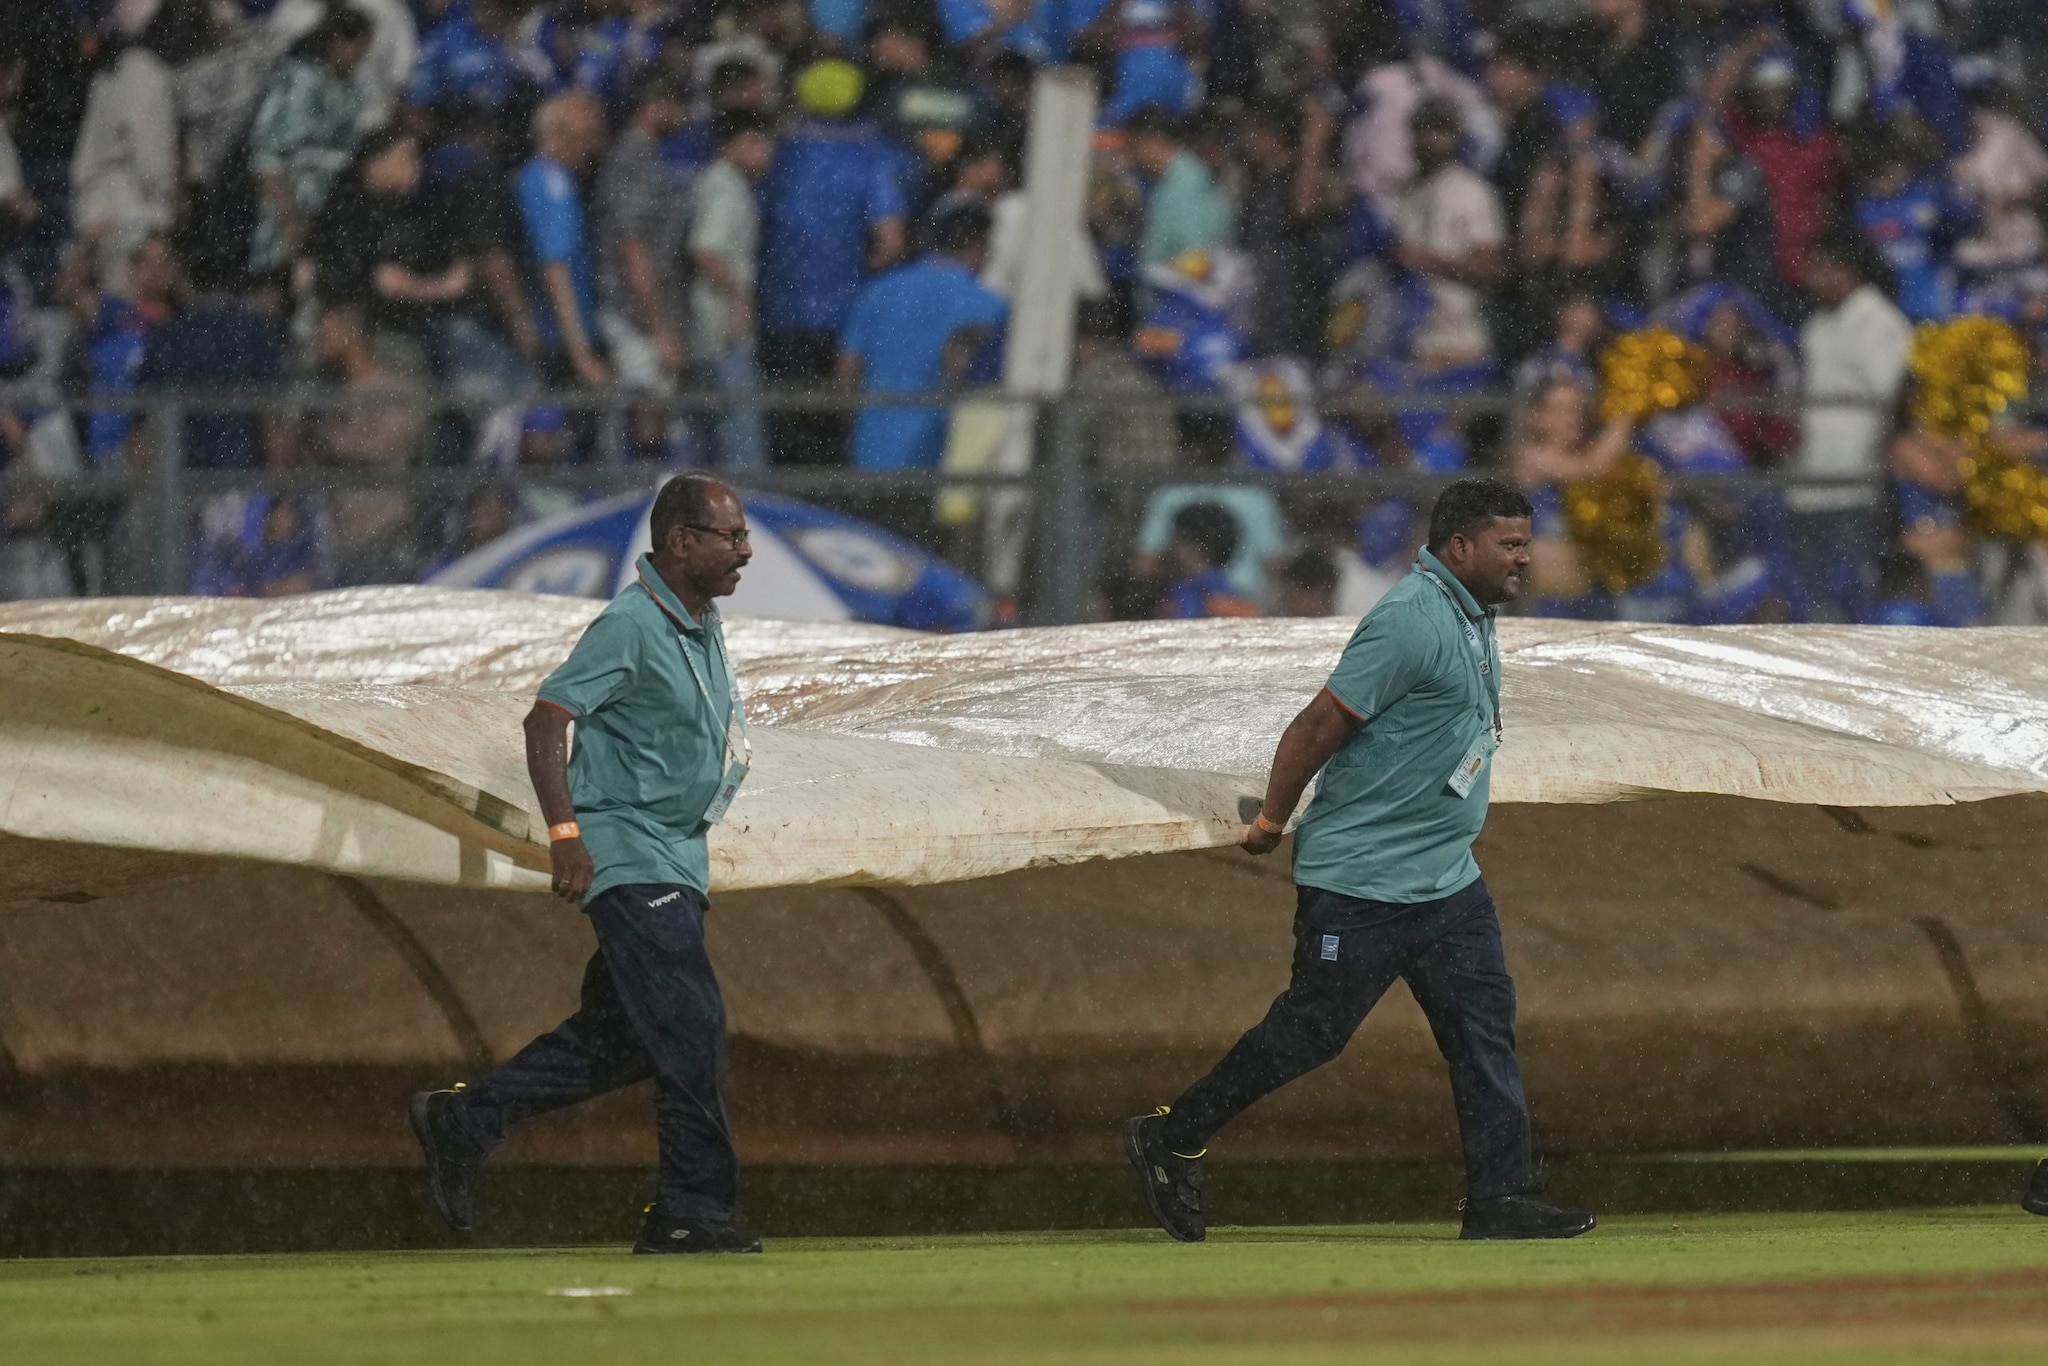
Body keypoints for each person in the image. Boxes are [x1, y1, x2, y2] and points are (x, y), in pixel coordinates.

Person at [1123, 476, 1596, 1245]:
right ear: (1460, 547)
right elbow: (1317, 724)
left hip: (1445, 878)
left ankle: (1502, 1200)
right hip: (1363, 880)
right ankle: (1173, 1133)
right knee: (1312, 1032)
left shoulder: (1470, 613)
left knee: (1485, 1033)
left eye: (1525, 543)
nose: (1524, 559)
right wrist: (1273, 818)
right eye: (1510, 545)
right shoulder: (1411, 620)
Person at [411, 473, 763, 1257]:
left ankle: (465, 1119)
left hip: (676, 854)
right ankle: (689, 1213)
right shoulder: (632, 625)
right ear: (680, 542)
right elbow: (546, 721)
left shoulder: (699, 623)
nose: (745, 550)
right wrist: (565, 832)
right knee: (692, 1026)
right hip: (631, 855)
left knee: (629, 1041)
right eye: (730, 537)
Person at [758, 58, 907, 466]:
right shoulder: (874, 159)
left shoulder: (778, 156)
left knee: (786, 431)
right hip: (845, 317)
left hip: (779, 313)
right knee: (836, 429)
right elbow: (891, 242)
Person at [836, 200, 1007, 537]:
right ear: (979, 246)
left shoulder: (880, 290)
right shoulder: (990, 305)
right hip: (941, 462)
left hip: (871, 457)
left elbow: (846, 371)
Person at [1789, 227, 1912, 621]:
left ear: (1848, 270)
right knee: (1815, 607)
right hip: (1810, 484)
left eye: (1823, 269)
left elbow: (1896, 400)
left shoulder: (1878, 321)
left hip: (1856, 487)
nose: (1813, 279)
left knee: (1855, 606)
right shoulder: (1817, 325)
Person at [246, 4, 374, 284]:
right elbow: (267, 156)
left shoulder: (350, 90)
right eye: (358, 46)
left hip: (333, 213)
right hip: (290, 202)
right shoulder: (299, 78)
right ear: (338, 40)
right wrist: (289, 220)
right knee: (275, 289)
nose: (360, 56)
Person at [597, 72, 695, 392]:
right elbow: (632, 249)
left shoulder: (648, 155)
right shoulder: (631, 158)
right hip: (633, 318)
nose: (686, 115)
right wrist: (660, 329)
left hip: (646, 317)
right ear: (655, 106)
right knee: (643, 427)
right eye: (679, 104)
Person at [690, 109, 776, 472]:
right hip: (723, 329)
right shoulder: (726, 188)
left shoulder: (723, 183)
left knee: (724, 433)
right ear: (729, 147)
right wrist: (740, 299)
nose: (765, 152)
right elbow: (705, 249)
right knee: (742, 440)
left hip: (714, 327)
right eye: (754, 142)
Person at [517, 91, 610, 387]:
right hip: (561, 341)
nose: (591, 147)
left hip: (572, 334)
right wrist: (580, 354)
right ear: (556, 135)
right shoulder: (549, 184)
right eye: (584, 136)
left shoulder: (560, 179)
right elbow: (555, 269)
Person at [1125, 104, 1231, 279]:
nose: (1129, 155)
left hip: (1180, 300)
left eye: (1133, 146)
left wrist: (1155, 274)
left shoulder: (1186, 185)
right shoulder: (1171, 181)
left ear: (1154, 141)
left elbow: (1197, 258)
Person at [1155, 501, 1258, 619]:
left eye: (1177, 540)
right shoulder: (1180, 586)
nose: (1169, 547)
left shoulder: (1217, 591)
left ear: (1196, 549)